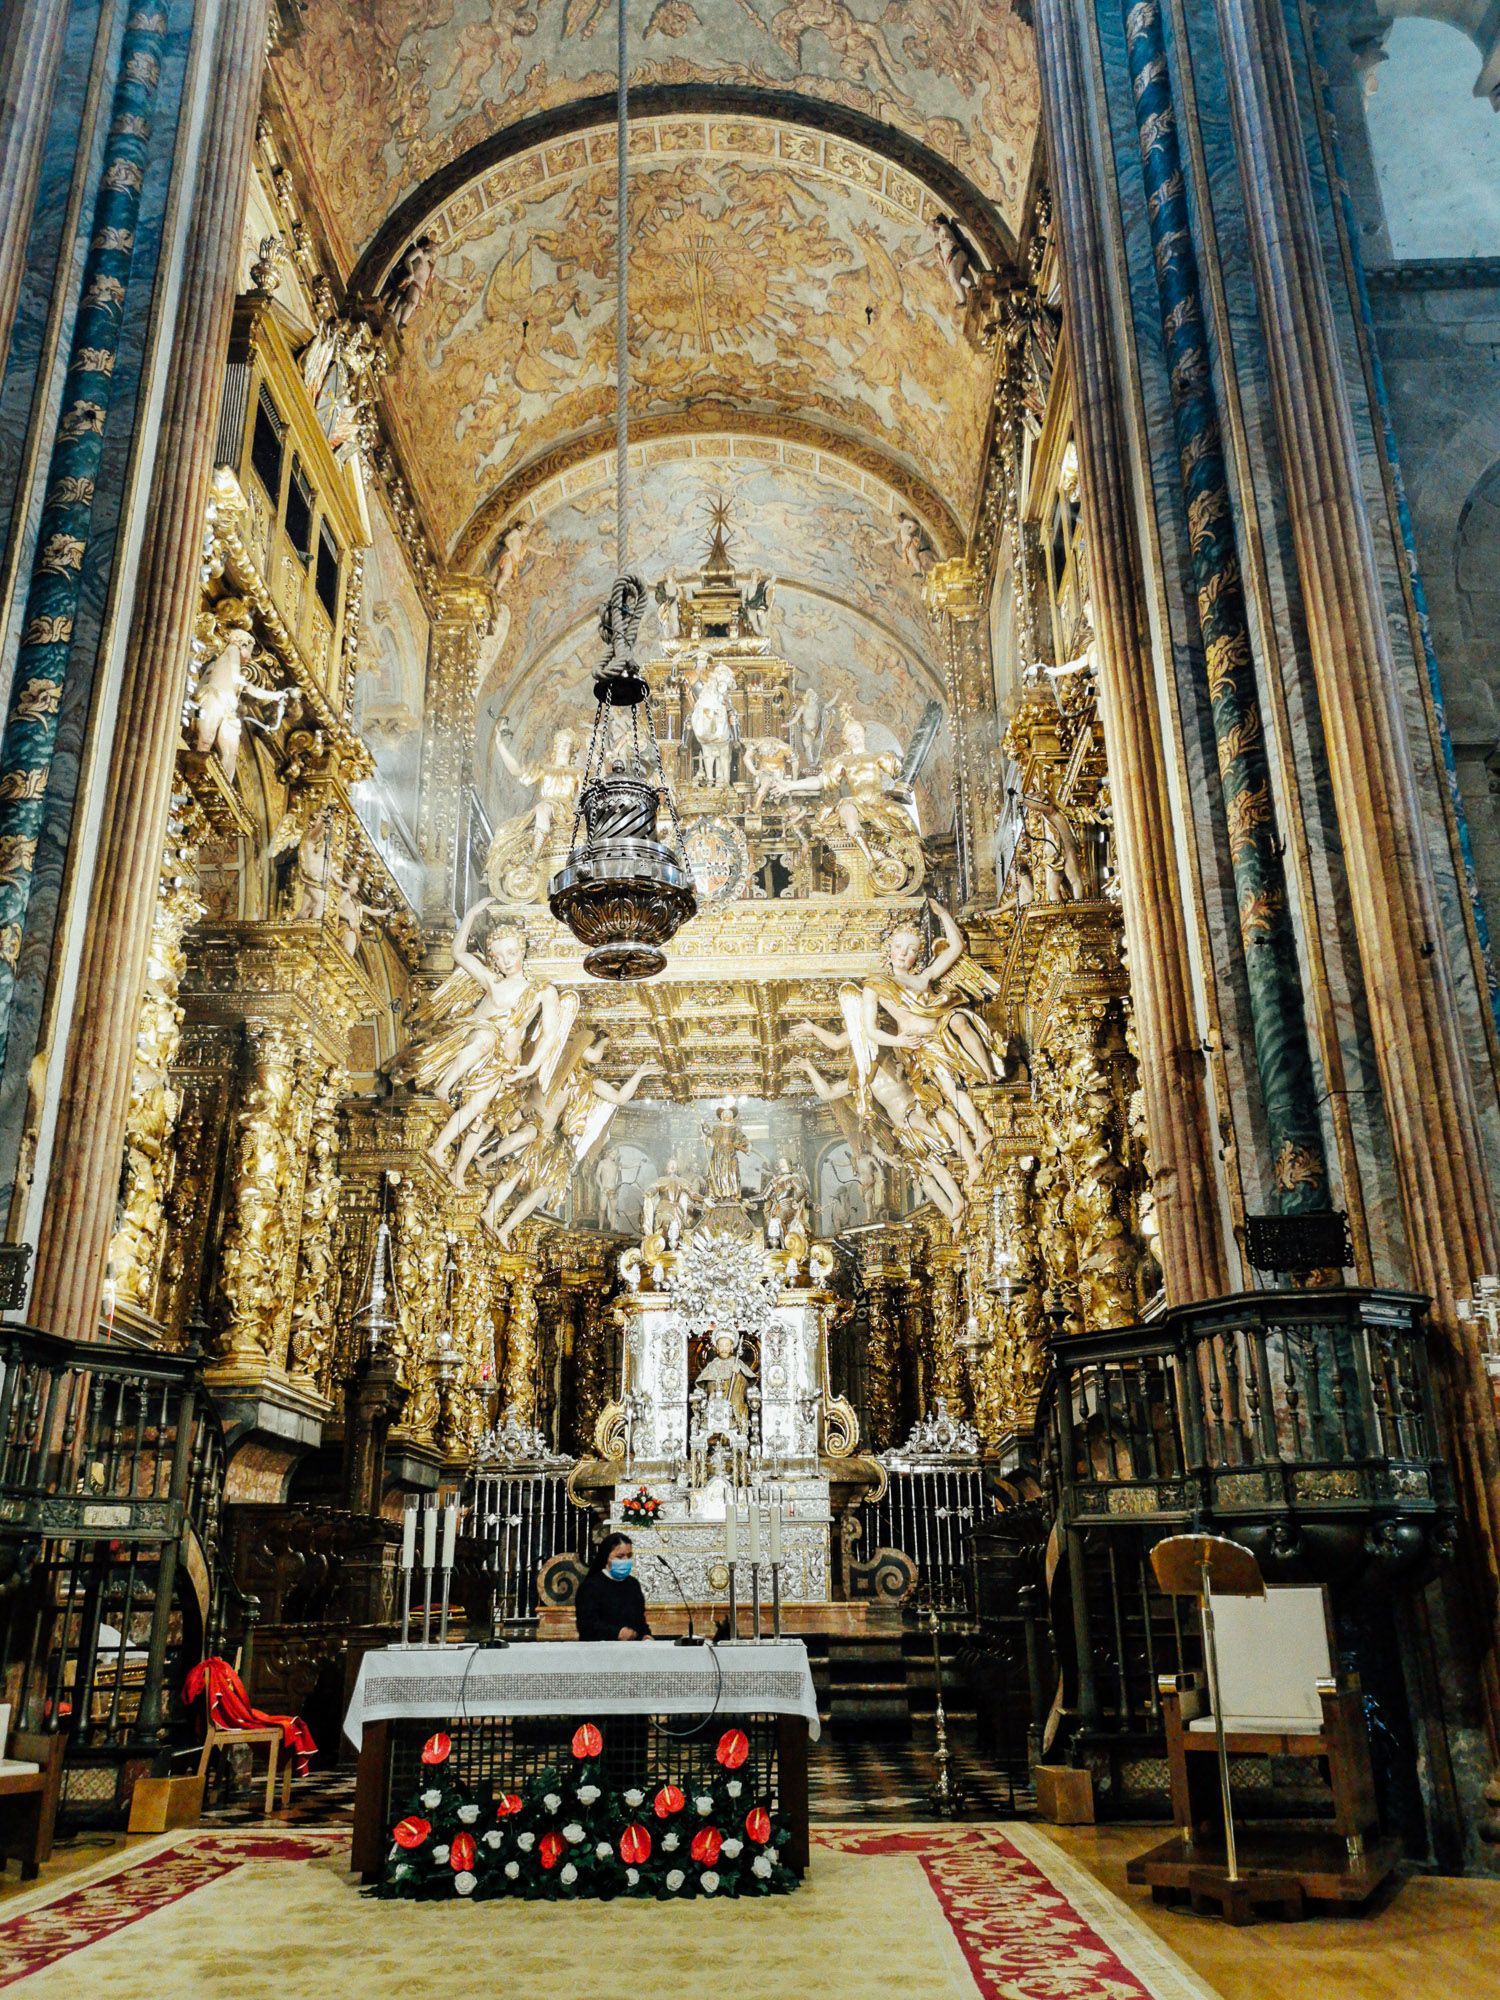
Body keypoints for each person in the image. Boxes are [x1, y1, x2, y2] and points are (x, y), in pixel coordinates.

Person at [575, 1533, 652, 1642]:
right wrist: (617, 1633)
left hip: (632, 1651)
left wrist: (645, 1635)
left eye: (629, 1556)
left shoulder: (633, 1584)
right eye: (620, 1556)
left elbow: (639, 1621)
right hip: (600, 1651)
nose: (625, 1560)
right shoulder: (590, 1586)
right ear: (606, 1557)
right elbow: (586, 1625)